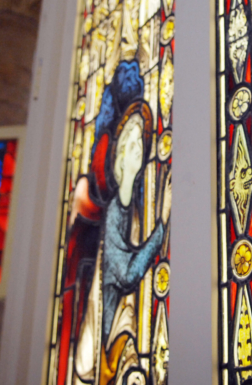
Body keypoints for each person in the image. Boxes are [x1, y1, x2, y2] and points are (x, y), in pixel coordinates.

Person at [73, 101, 169, 385]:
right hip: (108, 345)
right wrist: (162, 226)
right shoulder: (116, 210)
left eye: (142, 141)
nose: (139, 147)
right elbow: (127, 275)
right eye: (133, 141)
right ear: (122, 152)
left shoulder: (134, 208)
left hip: (123, 332)